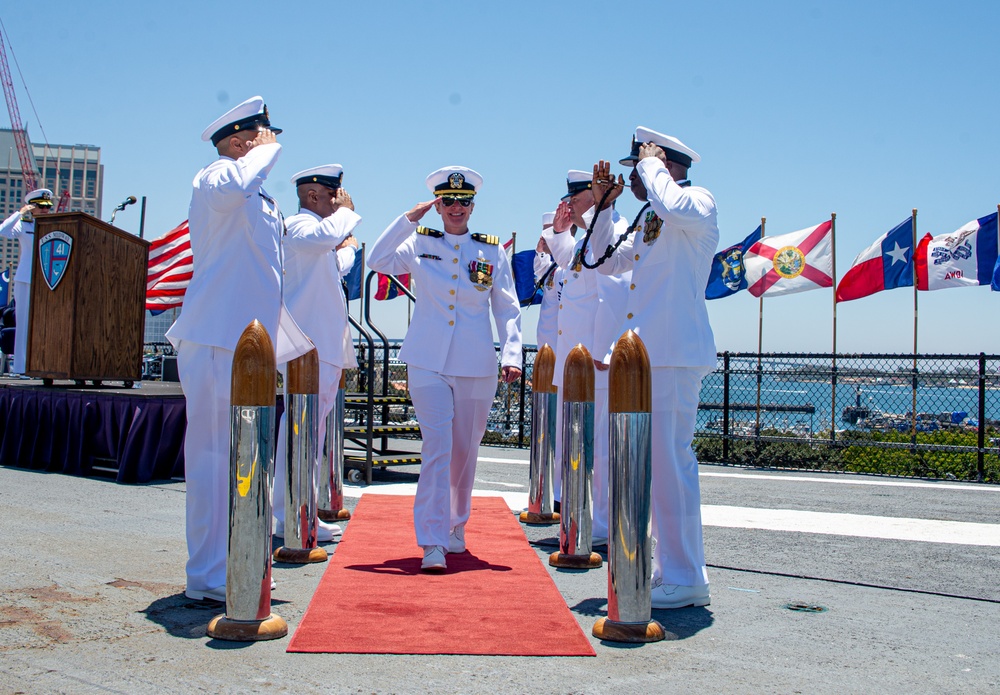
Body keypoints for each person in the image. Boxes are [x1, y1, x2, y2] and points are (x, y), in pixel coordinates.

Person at [166, 96, 310, 602]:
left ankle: (235, 560)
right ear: (237, 141)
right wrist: (262, 154)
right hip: (213, 338)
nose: (273, 144)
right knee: (210, 458)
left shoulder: (262, 198)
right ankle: (205, 574)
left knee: (245, 458)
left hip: (249, 346)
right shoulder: (215, 177)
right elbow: (236, 182)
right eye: (263, 136)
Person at [367, 166, 522, 572]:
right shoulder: (418, 243)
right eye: (448, 201)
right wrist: (409, 217)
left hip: (475, 364)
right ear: (438, 205)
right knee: (437, 447)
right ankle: (431, 539)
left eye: (464, 201)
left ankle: (456, 524)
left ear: (473, 206)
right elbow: (376, 259)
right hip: (426, 361)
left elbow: (506, 306)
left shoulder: (491, 250)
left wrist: (512, 355)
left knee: (465, 452)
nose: (457, 208)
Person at [588, 126, 718, 609]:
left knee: (670, 465)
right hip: (646, 358)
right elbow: (605, 263)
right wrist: (603, 206)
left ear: (665, 163)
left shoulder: (698, 201)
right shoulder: (649, 217)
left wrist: (652, 165)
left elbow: (672, 204)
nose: (636, 179)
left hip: (674, 353)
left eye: (640, 167)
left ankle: (685, 575)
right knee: (655, 467)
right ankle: (675, 572)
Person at [542, 171, 630, 545]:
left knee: (601, 447)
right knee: (577, 441)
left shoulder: (611, 232)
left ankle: (604, 526)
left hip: (595, 362)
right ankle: (584, 514)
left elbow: (613, 296)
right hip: (574, 363)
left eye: (575, 200)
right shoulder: (586, 240)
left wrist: (604, 348)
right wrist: (560, 233)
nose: (569, 204)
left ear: (593, 198)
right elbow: (569, 270)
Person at [274, 165, 361, 542]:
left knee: (313, 433)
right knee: (300, 431)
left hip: (322, 347)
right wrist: (349, 211)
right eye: (333, 195)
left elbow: (333, 266)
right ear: (313, 196)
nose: (337, 201)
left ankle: (300, 507)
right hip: (306, 347)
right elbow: (324, 237)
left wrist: (351, 249)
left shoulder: (317, 239)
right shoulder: (299, 226)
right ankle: (288, 513)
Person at [0, 188, 54, 374]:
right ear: (32, 207)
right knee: (23, 323)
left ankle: (41, 365)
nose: (45, 211)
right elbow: (3, 231)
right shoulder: (23, 225)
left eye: (47, 207)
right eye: (41, 207)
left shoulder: (55, 226)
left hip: (48, 281)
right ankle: (21, 368)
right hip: (26, 279)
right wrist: (19, 213)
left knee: (44, 323)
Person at [533, 212, 560, 354]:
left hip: (562, 339)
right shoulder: (552, 265)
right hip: (546, 337)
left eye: (549, 233)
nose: (544, 238)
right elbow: (539, 272)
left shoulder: (569, 262)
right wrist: (540, 251)